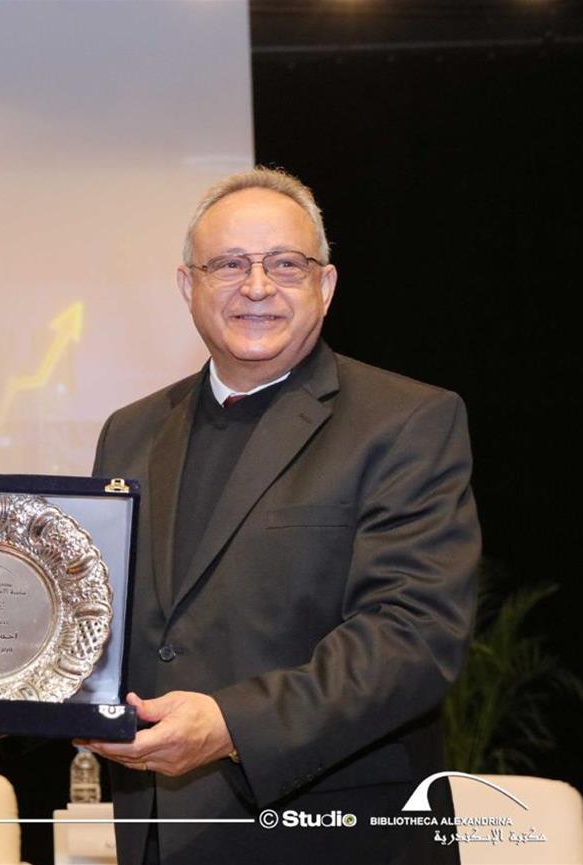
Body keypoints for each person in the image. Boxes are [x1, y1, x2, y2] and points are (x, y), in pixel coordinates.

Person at [79, 167, 479, 865]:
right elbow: (95, 617)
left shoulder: (407, 420)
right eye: (230, 264)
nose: (258, 286)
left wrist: (232, 724)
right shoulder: (130, 432)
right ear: (188, 286)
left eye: (286, 264)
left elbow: (415, 633)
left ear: (326, 286)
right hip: (157, 834)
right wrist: (0, 692)